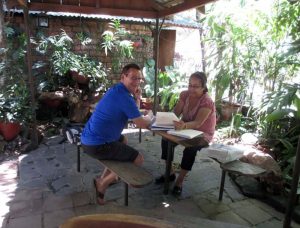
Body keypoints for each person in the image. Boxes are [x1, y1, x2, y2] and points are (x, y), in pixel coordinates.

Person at [81, 63, 152, 205]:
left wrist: (137, 98)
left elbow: (134, 113)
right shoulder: (124, 97)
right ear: (123, 77)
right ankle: (103, 183)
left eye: (139, 79)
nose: (137, 82)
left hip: (89, 139)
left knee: (123, 140)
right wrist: (150, 117)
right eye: (133, 78)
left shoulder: (116, 90)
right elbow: (141, 123)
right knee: (138, 159)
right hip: (98, 145)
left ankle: (104, 178)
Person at [155, 71, 216, 196]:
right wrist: (165, 118)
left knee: (190, 149)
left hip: (202, 133)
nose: (191, 89)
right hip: (185, 128)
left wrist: (184, 125)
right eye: (190, 85)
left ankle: (179, 181)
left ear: (204, 87)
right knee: (166, 140)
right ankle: (170, 173)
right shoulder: (184, 95)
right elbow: (176, 113)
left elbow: (198, 123)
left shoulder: (207, 101)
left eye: (195, 86)